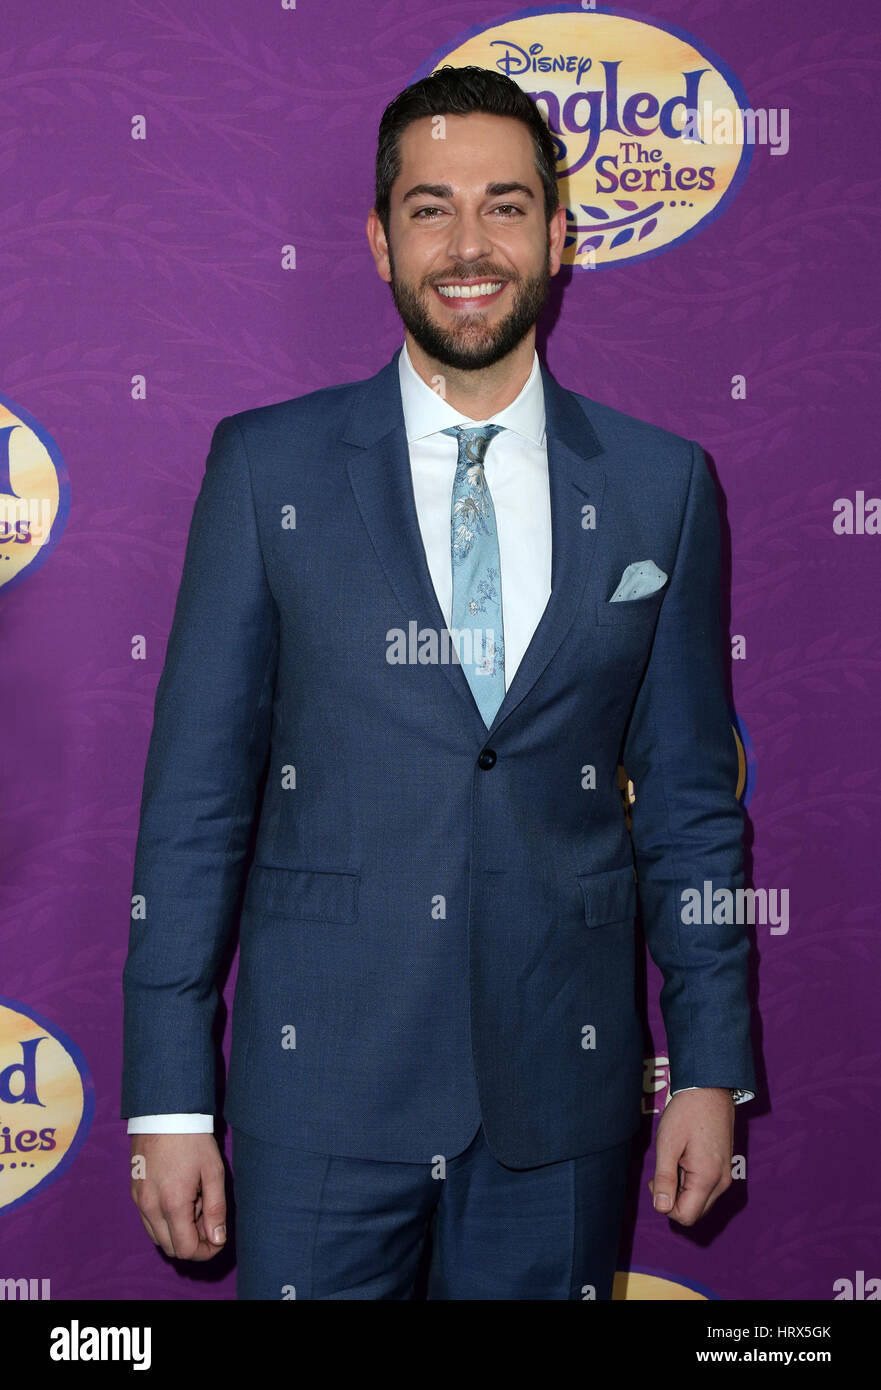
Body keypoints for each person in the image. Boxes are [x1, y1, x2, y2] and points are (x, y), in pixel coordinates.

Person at [122, 65, 756, 1301]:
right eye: (430, 208)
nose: (469, 246)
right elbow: (195, 803)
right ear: (379, 240)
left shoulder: (660, 485)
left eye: (504, 205)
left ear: (559, 235)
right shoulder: (266, 470)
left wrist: (706, 1062)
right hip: (321, 1092)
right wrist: (168, 1096)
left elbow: (688, 805)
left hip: (558, 1099)